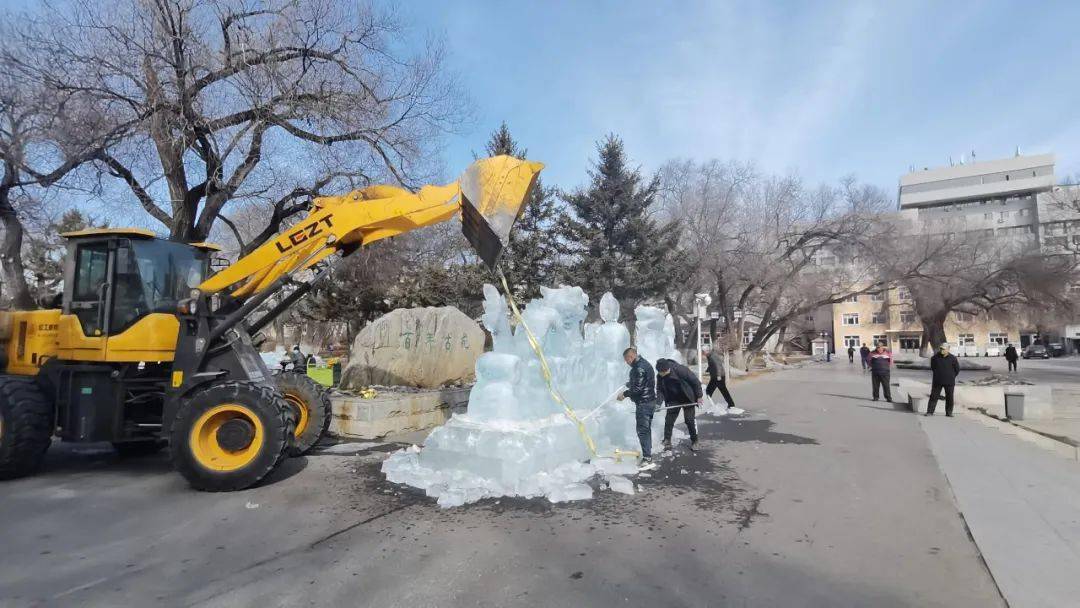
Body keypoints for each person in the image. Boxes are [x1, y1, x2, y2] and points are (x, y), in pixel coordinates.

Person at [618, 347, 658, 470]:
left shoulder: (639, 367)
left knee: (642, 430)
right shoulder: (643, 364)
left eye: (626, 360)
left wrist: (625, 394)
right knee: (646, 429)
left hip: (644, 403)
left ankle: (647, 459)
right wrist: (631, 382)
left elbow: (638, 389)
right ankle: (648, 455)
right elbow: (643, 382)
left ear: (631, 357)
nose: (626, 363)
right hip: (649, 401)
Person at [656, 358, 702, 451]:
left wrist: (699, 396)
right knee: (669, 420)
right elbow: (660, 390)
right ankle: (667, 440)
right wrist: (658, 403)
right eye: (661, 372)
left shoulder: (680, 369)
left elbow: (695, 381)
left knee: (689, 420)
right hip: (673, 399)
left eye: (664, 372)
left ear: (668, 368)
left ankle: (695, 441)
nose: (662, 374)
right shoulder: (660, 375)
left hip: (687, 397)